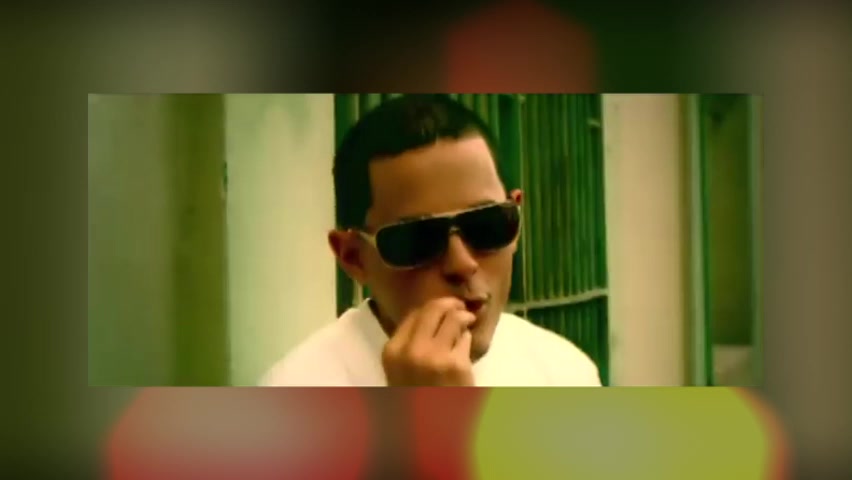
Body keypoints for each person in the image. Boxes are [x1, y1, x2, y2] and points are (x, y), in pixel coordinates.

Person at [261, 94, 601, 387]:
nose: (462, 264)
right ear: (353, 257)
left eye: (487, 225)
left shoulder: (564, 371)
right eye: (418, 239)